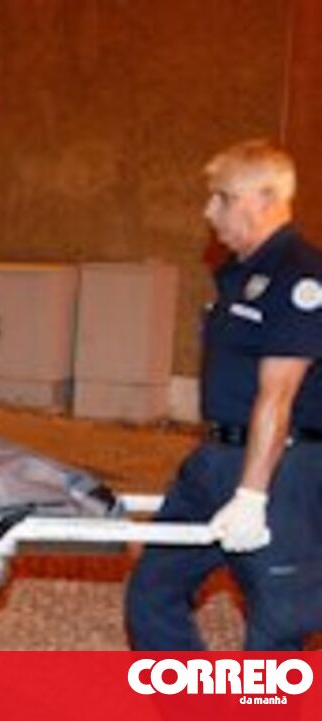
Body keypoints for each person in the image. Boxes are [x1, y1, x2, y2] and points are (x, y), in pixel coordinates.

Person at [126, 139, 322, 650]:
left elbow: (278, 396)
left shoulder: (299, 276)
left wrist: (252, 497)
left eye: (224, 198)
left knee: (278, 624)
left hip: (279, 469)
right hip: (215, 458)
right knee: (152, 591)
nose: (209, 212)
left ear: (266, 197)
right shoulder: (238, 275)